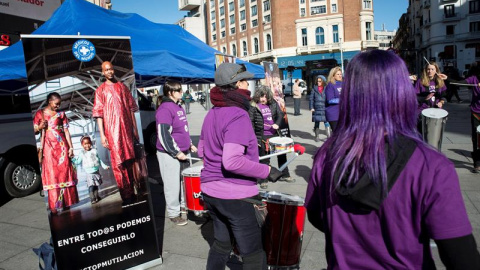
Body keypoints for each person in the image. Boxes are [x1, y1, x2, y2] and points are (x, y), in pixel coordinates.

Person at [305, 49, 480, 269]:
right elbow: (462, 257)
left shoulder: (327, 154)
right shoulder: (430, 165)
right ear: (402, 92)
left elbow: (317, 216)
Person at [198, 63, 283, 270]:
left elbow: (202, 150)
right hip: (235, 197)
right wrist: (267, 170)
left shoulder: (212, 113)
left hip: (211, 191)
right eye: (245, 80)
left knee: (221, 244)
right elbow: (232, 161)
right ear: (236, 84)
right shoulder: (237, 114)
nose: (248, 84)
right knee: (253, 255)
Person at [92, 61, 139, 206]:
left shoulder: (123, 87)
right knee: (118, 163)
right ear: (102, 72)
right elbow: (98, 114)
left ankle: (133, 191)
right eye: (106, 70)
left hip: (126, 130)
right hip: (112, 132)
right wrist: (103, 135)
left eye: (111, 69)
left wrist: (135, 130)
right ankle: (125, 195)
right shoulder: (100, 91)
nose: (109, 71)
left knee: (130, 160)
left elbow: (131, 109)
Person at [156, 80, 197, 226]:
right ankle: (174, 213)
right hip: (169, 154)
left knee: (183, 182)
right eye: (178, 90)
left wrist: (190, 144)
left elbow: (182, 129)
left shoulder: (178, 106)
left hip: (183, 152)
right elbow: (164, 134)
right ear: (170, 92)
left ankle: (184, 207)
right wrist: (176, 152)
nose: (181, 92)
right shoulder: (165, 108)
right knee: (172, 184)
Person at [34, 92, 78, 214]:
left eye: (59, 104)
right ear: (49, 101)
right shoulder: (40, 114)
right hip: (48, 148)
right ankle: (54, 206)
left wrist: (71, 148)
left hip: (62, 148)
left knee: (64, 173)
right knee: (52, 175)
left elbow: (67, 132)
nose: (58, 106)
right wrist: (39, 127)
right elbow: (34, 130)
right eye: (56, 104)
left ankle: (66, 203)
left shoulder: (62, 114)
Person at [444, 65, 480, 172]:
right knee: (476, 137)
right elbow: (461, 83)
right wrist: (447, 78)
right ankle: (477, 163)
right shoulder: (474, 78)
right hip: (476, 112)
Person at [310, 75, 328, 142]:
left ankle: (328, 137)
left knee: (327, 122)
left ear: (323, 81)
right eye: (317, 81)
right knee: (316, 122)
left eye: (320, 81)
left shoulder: (326, 88)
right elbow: (311, 99)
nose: (318, 82)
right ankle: (317, 137)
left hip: (324, 108)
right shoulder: (314, 89)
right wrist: (311, 107)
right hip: (316, 108)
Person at [325, 67, 343, 131]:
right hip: (334, 114)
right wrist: (343, 100)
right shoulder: (330, 85)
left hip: (343, 113)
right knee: (337, 135)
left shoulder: (343, 84)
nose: (340, 75)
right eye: (338, 74)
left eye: (340, 74)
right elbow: (330, 100)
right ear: (333, 76)